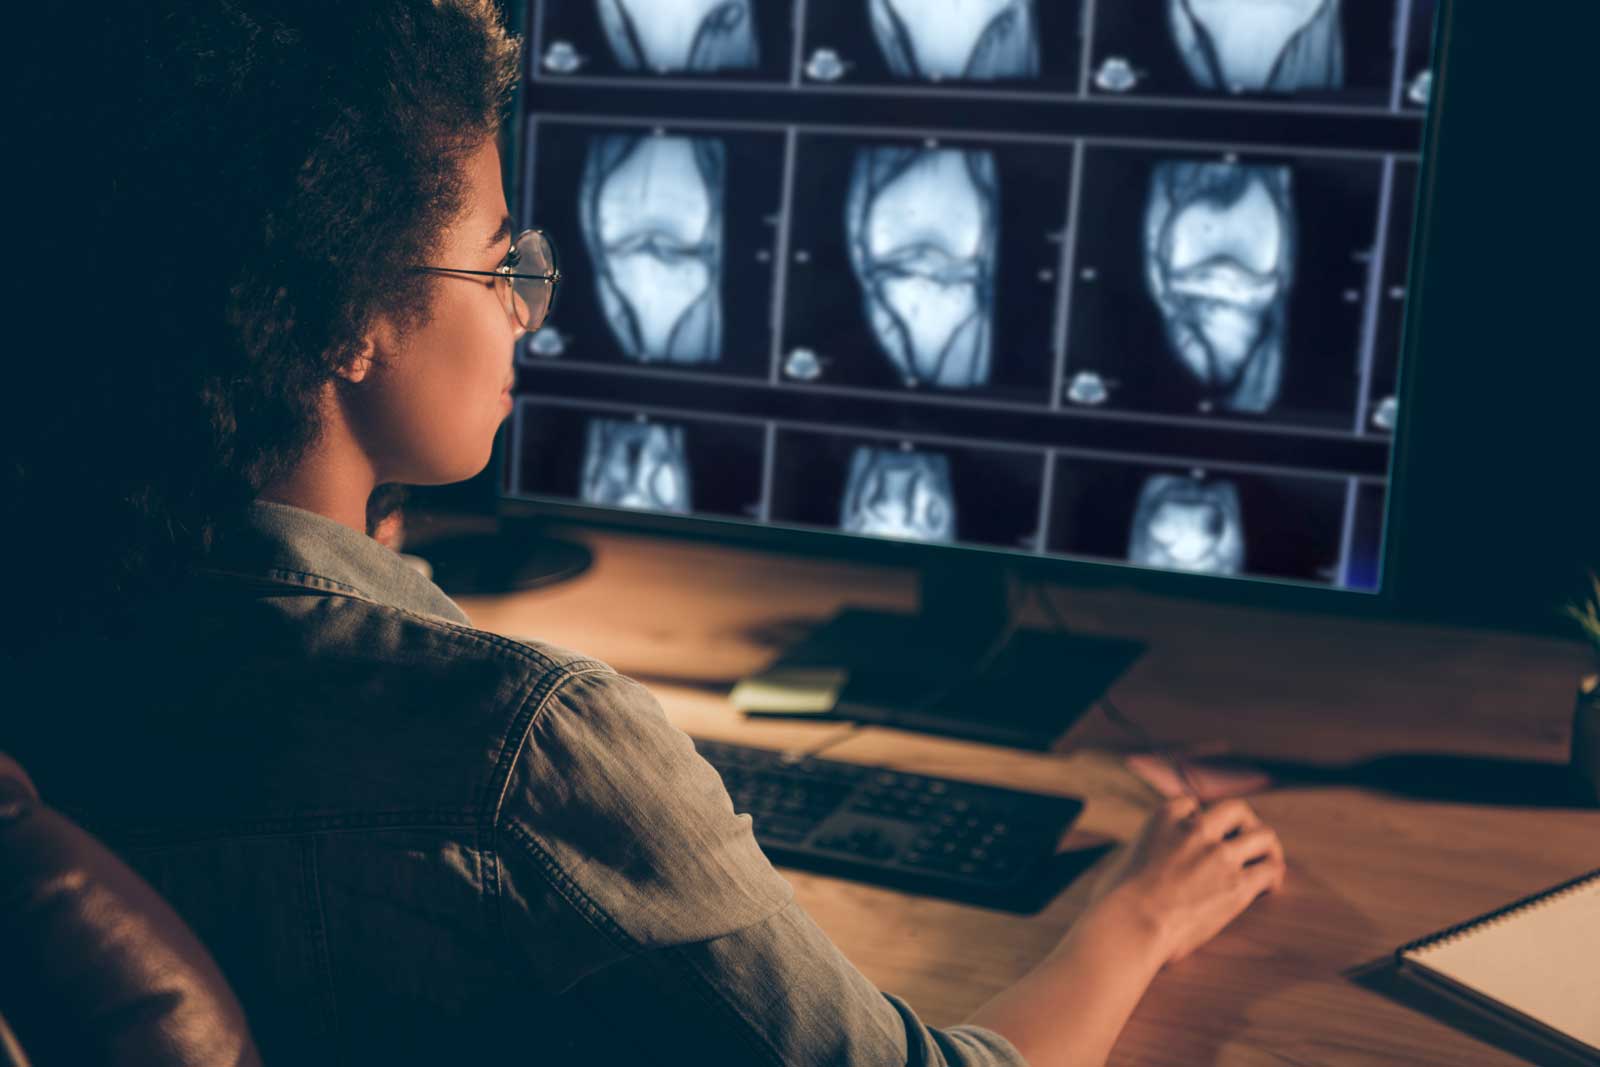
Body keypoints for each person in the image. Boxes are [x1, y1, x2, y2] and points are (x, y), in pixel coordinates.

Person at [2, 3, 1286, 1064]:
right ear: (349, 320)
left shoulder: (49, 642)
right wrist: (1136, 912)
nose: (525, 314)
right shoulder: (533, 746)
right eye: (498, 264)